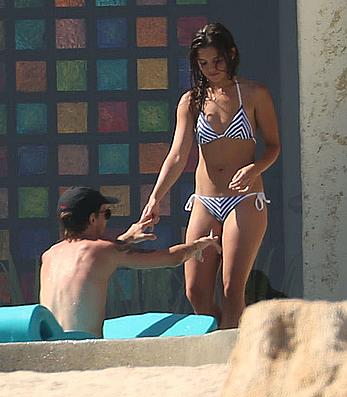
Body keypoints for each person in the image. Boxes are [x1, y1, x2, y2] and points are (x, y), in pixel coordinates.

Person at [141, 23, 281, 329]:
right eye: (202, 63)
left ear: (231, 54)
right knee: (196, 292)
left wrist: (255, 167)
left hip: (244, 200)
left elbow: (273, 146)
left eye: (216, 61)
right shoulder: (191, 101)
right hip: (205, 200)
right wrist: (155, 199)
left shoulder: (255, 94)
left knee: (232, 289)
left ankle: (231, 361)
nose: (210, 69)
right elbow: (177, 155)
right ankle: (225, 341)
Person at [39, 186, 220, 337]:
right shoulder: (104, 251)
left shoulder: (49, 255)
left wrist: (127, 238)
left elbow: (92, 255)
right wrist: (198, 245)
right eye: (106, 213)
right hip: (84, 349)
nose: (106, 219)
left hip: (48, 348)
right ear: (92, 218)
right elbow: (172, 258)